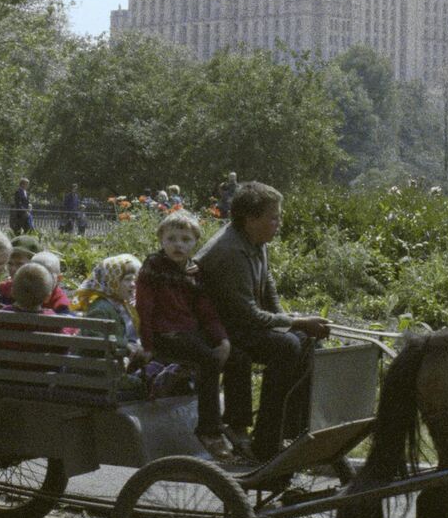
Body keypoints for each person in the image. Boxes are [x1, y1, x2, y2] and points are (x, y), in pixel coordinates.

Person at [195, 181, 331, 462]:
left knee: (305, 342)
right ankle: (266, 441)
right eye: (274, 217)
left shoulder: (255, 241)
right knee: (287, 347)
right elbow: (248, 314)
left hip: (239, 324)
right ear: (251, 219)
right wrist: (297, 322)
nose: (278, 223)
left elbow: (267, 287)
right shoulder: (230, 251)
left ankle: (290, 429)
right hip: (216, 329)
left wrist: (289, 319)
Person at [137, 209, 235, 459]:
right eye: (171, 239)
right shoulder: (154, 267)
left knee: (236, 356)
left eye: (185, 239)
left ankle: (235, 424)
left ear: (194, 243)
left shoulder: (194, 272)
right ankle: (209, 430)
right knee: (208, 360)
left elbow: (206, 312)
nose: (178, 244)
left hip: (187, 334)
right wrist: (147, 344)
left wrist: (221, 339)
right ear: (161, 240)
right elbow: (144, 308)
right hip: (165, 335)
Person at [75, 254, 146, 367]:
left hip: (112, 366)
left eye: (134, 280)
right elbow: (93, 336)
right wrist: (125, 345)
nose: (133, 285)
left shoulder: (123, 305)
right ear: (112, 280)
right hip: (96, 371)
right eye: (127, 280)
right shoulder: (101, 307)